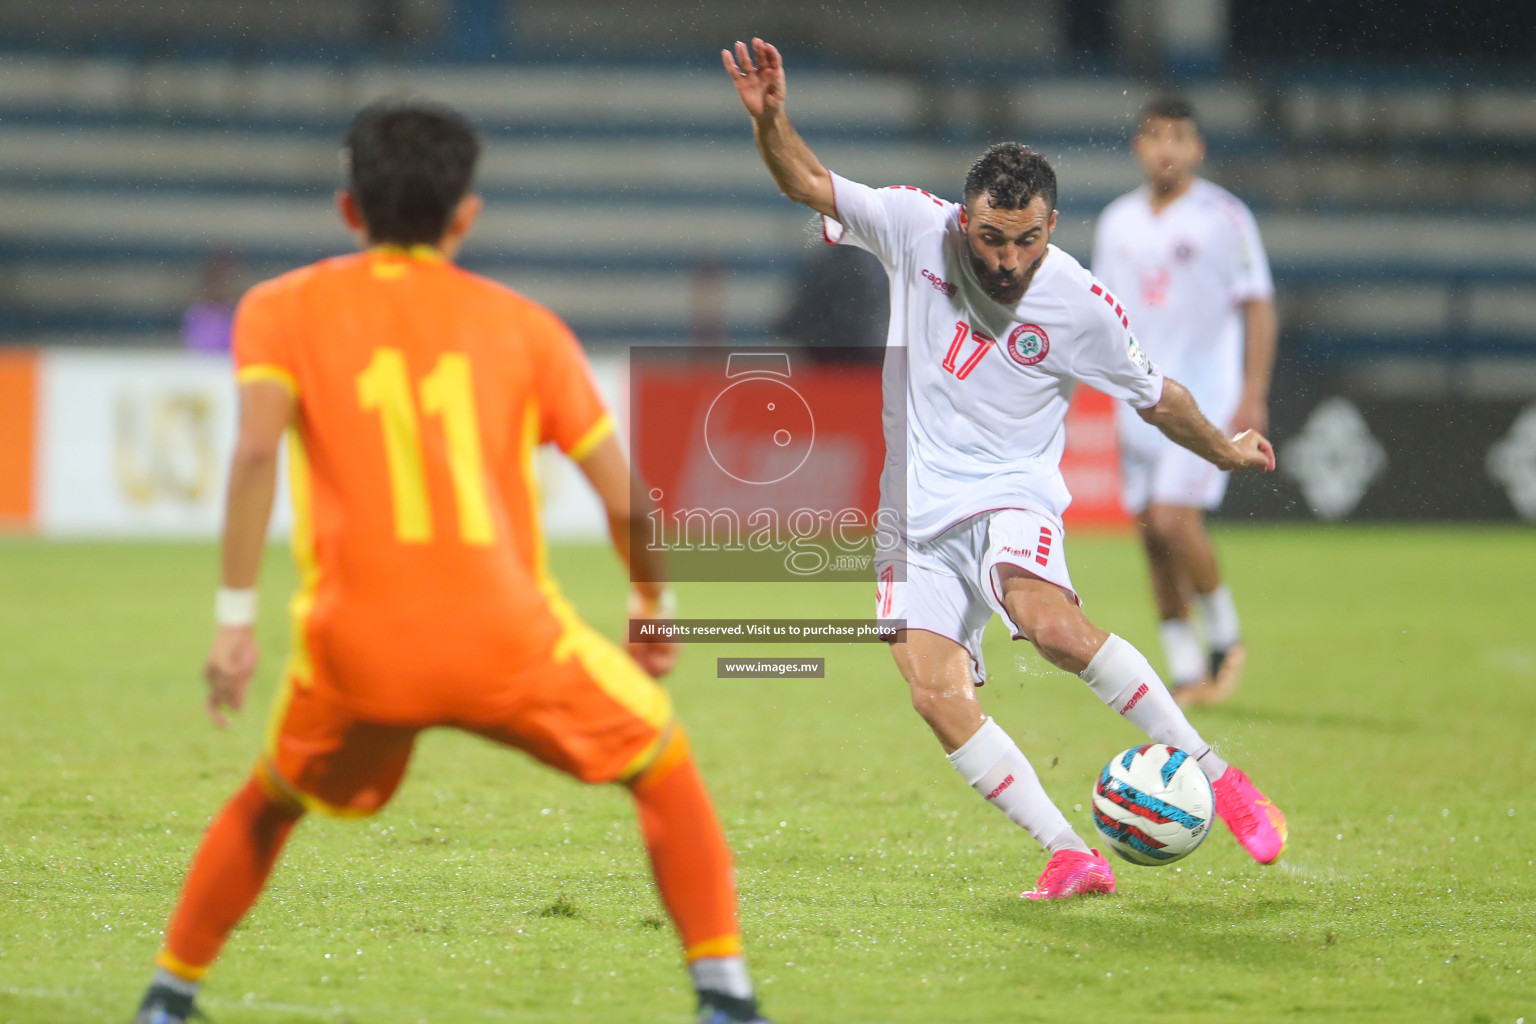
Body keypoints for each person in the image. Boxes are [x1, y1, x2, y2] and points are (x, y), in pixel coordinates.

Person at [133, 99, 770, 1024]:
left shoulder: (279, 309)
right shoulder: (525, 327)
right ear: (465, 214)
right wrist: (651, 601)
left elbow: (255, 455)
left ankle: (167, 995)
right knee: (661, 761)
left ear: (349, 209)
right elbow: (628, 497)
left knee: (271, 801)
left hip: (357, 649)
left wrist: (235, 621)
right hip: (505, 639)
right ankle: (726, 997)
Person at [723, 38, 1287, 900]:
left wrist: (1224, 445)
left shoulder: (1080, 302)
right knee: (932, 691)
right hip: (911, 508)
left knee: (1052, 627)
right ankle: (1069, 851)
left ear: (1051, 228)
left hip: (1010, 491)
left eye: (1026, 240)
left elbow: (1155, 393)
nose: (1007, 261)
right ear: (962, 220)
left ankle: (1216, 772)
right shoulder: (914, 225)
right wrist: (772, 120)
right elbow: (806, 179)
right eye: (990, 238)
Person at [1093, 95, 1279, 707]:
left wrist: (1252, 392)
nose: (1166, 147)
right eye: (1154, 136)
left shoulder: (1225, 217)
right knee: (1151, 533)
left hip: (1205, 395)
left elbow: (1258, 304)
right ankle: (1185, 668)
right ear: (1138, 148)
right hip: (1138, 397)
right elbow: (1100, 314)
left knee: (1175, 519)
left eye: (1178, 136)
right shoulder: (1116, 221)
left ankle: (1225, 636)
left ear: (1197, 147)